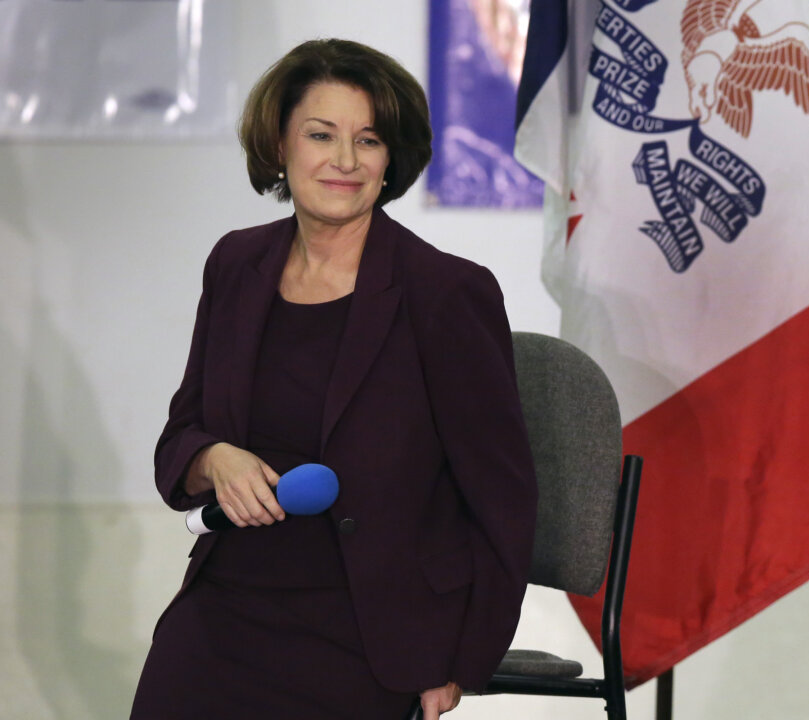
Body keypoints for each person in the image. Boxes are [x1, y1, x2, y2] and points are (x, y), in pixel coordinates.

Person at [130, 39, 538, 720]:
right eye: (322, 135)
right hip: (227, 606)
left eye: (369, 140)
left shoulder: (446, 292)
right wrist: (211, 457)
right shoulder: (236, 263)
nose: (344, 161)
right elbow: (182, 433)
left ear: (390, 159)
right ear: (281, 145)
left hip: (367, 630)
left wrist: (461, 660)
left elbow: (503, 497)